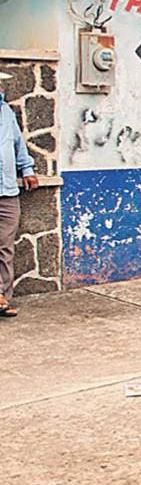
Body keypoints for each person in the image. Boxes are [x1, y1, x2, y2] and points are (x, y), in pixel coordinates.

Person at [0, 89, 38, 317]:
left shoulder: (6, 112)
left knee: (5, 247)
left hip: (7, 192)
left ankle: (2, 297)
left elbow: (17, 143)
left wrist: (27, 169)